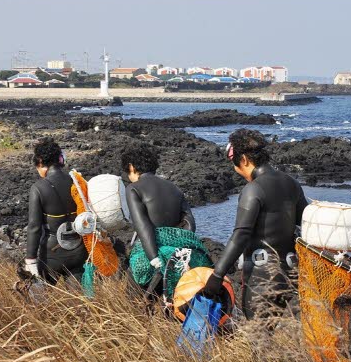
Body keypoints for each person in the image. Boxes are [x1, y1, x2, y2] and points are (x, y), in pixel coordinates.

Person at [203, 129, 308, 320]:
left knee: (258, 339)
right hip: (291, 274)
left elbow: (241, 235)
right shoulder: (291, 183)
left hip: (262, 276)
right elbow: (304, 223)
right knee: (279, 337)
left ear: (243, 159)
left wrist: (217, 276)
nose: (235, 168)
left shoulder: (253, 189)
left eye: (234, 162)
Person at [24, 137, 88, 286]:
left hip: (52, 255)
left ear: (40, 162)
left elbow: (34, 227)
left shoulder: (38, 188)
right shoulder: (77, 182)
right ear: (60, 159)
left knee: (43, 301)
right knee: (77, 303)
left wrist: (30, 260)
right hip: (78, 252)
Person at [121, 145, 195, 273]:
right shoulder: (174, 187)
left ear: (131, 166)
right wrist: (181, 249)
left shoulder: (133, 188)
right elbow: (189, 221)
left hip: (153, 252)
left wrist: (154, 258)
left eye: (127, 171)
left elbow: (142, 225)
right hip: (177, 250)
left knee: (131, 286)